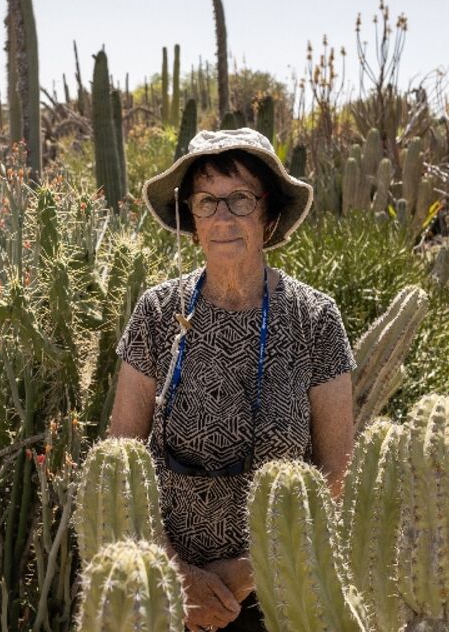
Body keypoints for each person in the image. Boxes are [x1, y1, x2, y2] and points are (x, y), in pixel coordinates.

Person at [109, 128, 356, 631]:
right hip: (163, 587)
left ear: (267, 215)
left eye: (240, 199)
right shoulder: (157, 311)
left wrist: (244, 575)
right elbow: (121, 457)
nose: (222, 217)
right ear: (192, 219)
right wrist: (176, 574)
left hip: (280, 590)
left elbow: (337, 475)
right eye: (206, 202)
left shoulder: (314, 319)